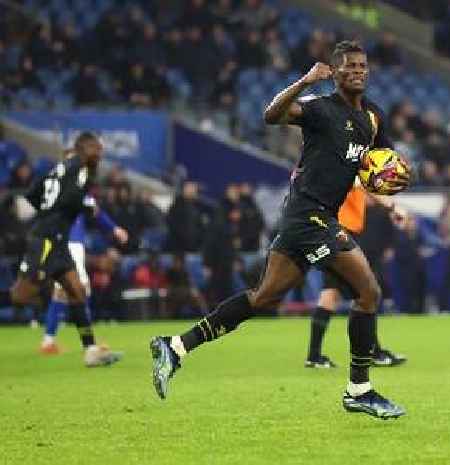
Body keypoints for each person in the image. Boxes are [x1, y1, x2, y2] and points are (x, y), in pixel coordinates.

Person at [150, 41, 410, 419]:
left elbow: (379, 167)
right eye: (349, 66)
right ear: (334, 73)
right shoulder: (322, 109)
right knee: (368, 291)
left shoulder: (373, 117)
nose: (358, 71)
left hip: (309, 219)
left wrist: (392, 196)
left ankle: (175, 346)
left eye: (362, 66)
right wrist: (305, 80)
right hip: (309, 218)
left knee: (263, 298)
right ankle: (360, 389)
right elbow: (272, 115)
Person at [0, 133, 126, 366]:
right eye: (96, 149)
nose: (99, 154)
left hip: (58, 241)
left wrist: (49, 210)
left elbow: (32, 193)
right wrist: (76, 210)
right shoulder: (80, 170)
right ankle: (55, 339)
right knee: (21, 295)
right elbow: (75, 198)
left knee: (76, 290)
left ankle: (90, 351)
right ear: (84, 149)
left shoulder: (58, 168)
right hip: (46, 239)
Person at [305, 183, 407, 368]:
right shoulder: (345, 163)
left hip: (328, 231)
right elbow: (366, 186)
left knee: (331, 293)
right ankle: (374, 352)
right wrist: (393, 207)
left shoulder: (324, 166)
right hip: (339, 233)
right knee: (366, 292)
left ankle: (314, 356)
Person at [39, 204, 129, 360]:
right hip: (71, 244)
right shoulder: (74, 186)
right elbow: (95, 210)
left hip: (62, 242)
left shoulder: (56, 188)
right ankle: (89, 346)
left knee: (62, 293)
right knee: (80, 292)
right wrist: (114, 228)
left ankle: (49, 341)